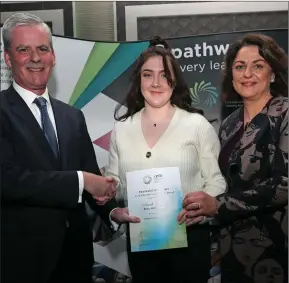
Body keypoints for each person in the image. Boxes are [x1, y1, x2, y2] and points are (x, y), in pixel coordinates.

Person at [0, 13, 126, 283]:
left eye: (43, 49)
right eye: (24, 50)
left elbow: (91, 175)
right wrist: (81, 181)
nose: (35, 57)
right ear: (8, 58)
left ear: (53, 57)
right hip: (21, 260)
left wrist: (112, 210)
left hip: (76, 259)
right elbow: (7, 179)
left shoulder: (72, 116)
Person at [105, 36, 226, 283]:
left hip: (190, 241)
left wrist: (202, 209)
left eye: (164, 74)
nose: (156, 82)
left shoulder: (197, 125)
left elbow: (217, 182)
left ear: (174, 81)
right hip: (142, 243)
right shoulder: (122, 129)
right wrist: (112, 203)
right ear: (138, 80)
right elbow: (115, 184)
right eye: (148, 74)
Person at [180, 33, 288, 283]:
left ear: (272, 73)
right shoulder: (228, 124)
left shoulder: (285, 113)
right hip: (233, 248)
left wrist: (217, 205)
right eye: (240, 67)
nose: (247, 73)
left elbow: (284, 183)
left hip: (276, 248)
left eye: (258, 66)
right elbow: (225, 182)